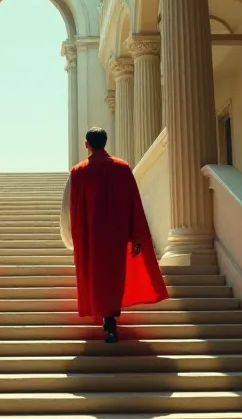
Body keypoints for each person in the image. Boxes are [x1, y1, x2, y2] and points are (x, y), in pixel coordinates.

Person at [60, 127, 168, 343]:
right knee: (113, 276)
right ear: (105, 142)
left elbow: (69, 208)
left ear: (86, 144)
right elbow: (134, 202)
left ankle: (107, 318)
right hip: (116, 236)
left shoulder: (78, 172)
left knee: (96, 276)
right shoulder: (122, 168)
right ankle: (110, 318)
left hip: (90, 235)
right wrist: (136, 234)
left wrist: (71, 237)